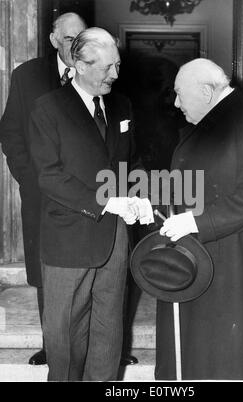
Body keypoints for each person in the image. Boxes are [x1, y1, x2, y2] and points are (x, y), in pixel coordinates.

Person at [28, 27, 150, 382]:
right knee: (65, 338)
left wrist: (140, 194)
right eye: (105, 67)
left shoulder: (121, 104)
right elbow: (49, 177)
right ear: (79, 64)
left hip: (114, 240)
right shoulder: (48, 108)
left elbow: (132, 161)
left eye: (117, 65)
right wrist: (108, 203)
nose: (114, 74)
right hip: (69, 241)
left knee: (109, 331)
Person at [158, 59, 243, 380]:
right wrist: (153, 204)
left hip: (236, 265)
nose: (175, 103)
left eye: (179, 94)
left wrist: (195, 223)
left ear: (205, 91)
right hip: (213, 259)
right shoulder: (218, 119)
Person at [0, 12, 87, 366]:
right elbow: (11, 133)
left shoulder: (100, 69)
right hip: (42, 195)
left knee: (95, 267)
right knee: (45, 268)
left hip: (90, 194)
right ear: (53, 40)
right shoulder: (28, 76)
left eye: (81, 39)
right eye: (69, 40)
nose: (77, 47)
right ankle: (53, 345)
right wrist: (31, 180)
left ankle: (98, 345)